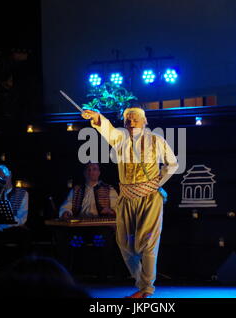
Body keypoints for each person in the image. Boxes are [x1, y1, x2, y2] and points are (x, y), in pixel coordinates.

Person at [81, 106, 179, 298]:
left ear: (145, 121)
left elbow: (172, 163)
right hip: (126, 197)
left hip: (149, 198)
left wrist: (157, 183)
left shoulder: (156, 140)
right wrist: (97, 117)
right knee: (125, 243)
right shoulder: (120, 139)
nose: (131, 122)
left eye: (135, 119)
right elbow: (107, 129)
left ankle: (146, 290)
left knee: (149, 241)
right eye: (128, 119)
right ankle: (142, 284)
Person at [0, 164, 30, 264]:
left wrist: (5, 221)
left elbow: (22, 219)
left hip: (13, 228)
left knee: (24, 233)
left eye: (4, 177)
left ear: (10, 175)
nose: (2, 180)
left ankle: (21, 268)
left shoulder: (23, 193)